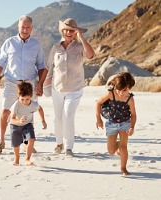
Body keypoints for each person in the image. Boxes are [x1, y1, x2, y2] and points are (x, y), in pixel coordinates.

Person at [0, 15, 47, 153]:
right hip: (12, 82)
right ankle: (1, 141)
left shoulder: (36, 45)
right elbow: (0, 63)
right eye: (23, 27)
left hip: (30, 82)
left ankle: (28, 143)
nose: (25, 29)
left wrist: (40, 85)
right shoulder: (9, 43)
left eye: (28, 27)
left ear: (32, 28)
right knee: (5, 111)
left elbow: (42, 66)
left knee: (29, 113)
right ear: (18, 27)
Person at [45, 18, 95, 156]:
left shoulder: (80, 47)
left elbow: (90, 55)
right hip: (57, 88)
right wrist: (43, 85)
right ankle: (59, 144)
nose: (68, 32)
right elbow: (49, 67)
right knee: (58, 118)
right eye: (66, 30)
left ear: (75, 32)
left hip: (75, 89)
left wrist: (81, 37)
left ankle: (68, 147)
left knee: (68, 115)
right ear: (62, 31)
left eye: (71, 30)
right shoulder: (55, 48)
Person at [96, 72, 137, 176]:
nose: (121, 93)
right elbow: (98, 102)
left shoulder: (130, 99)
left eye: (125, 90)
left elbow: (133, 115)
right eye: (119, 89)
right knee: (111, 151)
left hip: (125, 123)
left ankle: (123, 168)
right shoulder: (111, 93)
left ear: (130, 88)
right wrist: (98, 119)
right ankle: (118, 144)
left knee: (123, 147)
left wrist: (132, 127)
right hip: (111, 124)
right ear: (115, 86)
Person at [10, 82, 47, 166]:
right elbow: (12, 119)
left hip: (27, 125)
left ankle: (27, 159)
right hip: (15, 126)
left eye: (27, 99)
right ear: (18, 96)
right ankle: (17, 157)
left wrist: (43, 121)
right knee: (16, 144)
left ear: (31, 96)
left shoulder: (34, 104)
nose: (24, 102)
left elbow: (40, 109)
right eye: (22, 99)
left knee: (32, 139)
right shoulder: (16, 105)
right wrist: (19, 121)